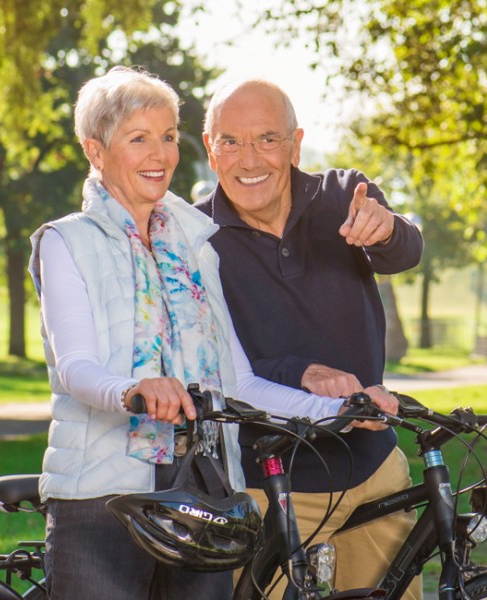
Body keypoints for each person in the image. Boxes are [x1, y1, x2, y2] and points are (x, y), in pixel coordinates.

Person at [28, 66, 397, 600]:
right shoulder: (67, 242)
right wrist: (134, 389)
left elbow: (237, 383)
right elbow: (76, 369)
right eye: (138, 139)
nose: (159, 155)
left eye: (168, 137)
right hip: (100, 497)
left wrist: (344, 410)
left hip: (203, 492)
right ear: (95, 150)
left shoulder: (197, 245)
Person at [196, 79, 424, 599]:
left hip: (372, 466)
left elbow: (404, 252)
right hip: (268, 480)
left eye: (267, 139)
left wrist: (386, 227)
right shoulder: (194, 237)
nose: (248, 158)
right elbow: (213, 363)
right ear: (211, 149)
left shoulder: (344, 195)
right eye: (230, 141)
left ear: (296, 144)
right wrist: (300, 371)